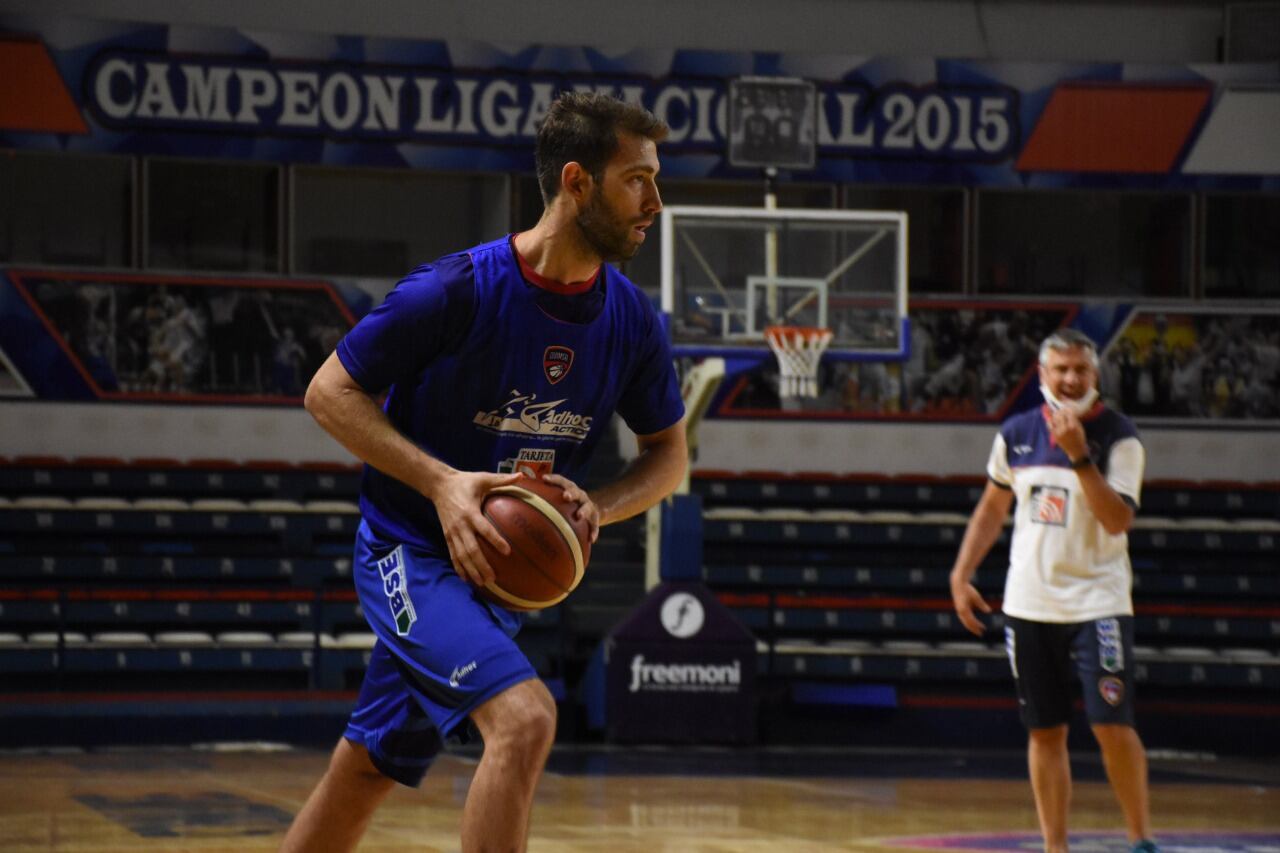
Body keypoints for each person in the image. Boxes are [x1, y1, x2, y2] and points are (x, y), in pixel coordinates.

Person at [280, 92, 688, 853]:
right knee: (525, 720)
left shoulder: (632, 320)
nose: (654, 202)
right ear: (577, 182)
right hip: (409, 554)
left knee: (365, 769)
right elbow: (328, 393)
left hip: (495, 581)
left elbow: (670, 454)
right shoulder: (454, 290)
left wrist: (598, 505)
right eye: (637, 179)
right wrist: (442, 483)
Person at [948, 328, 1158, 853]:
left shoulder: (1120, 436)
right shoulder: (1016, 433)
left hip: (1098, 603)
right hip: (1029, 604)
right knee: (1044, 731)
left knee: (1111, 725)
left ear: (1095, 375)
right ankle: (1054, 847)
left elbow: (1116, 521)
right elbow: (992, 509)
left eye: (1080, 369)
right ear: (1042, 374)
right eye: (1060, 369)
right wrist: (961, 573)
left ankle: (1141, 840)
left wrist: (1079, 456)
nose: (1070, 379)